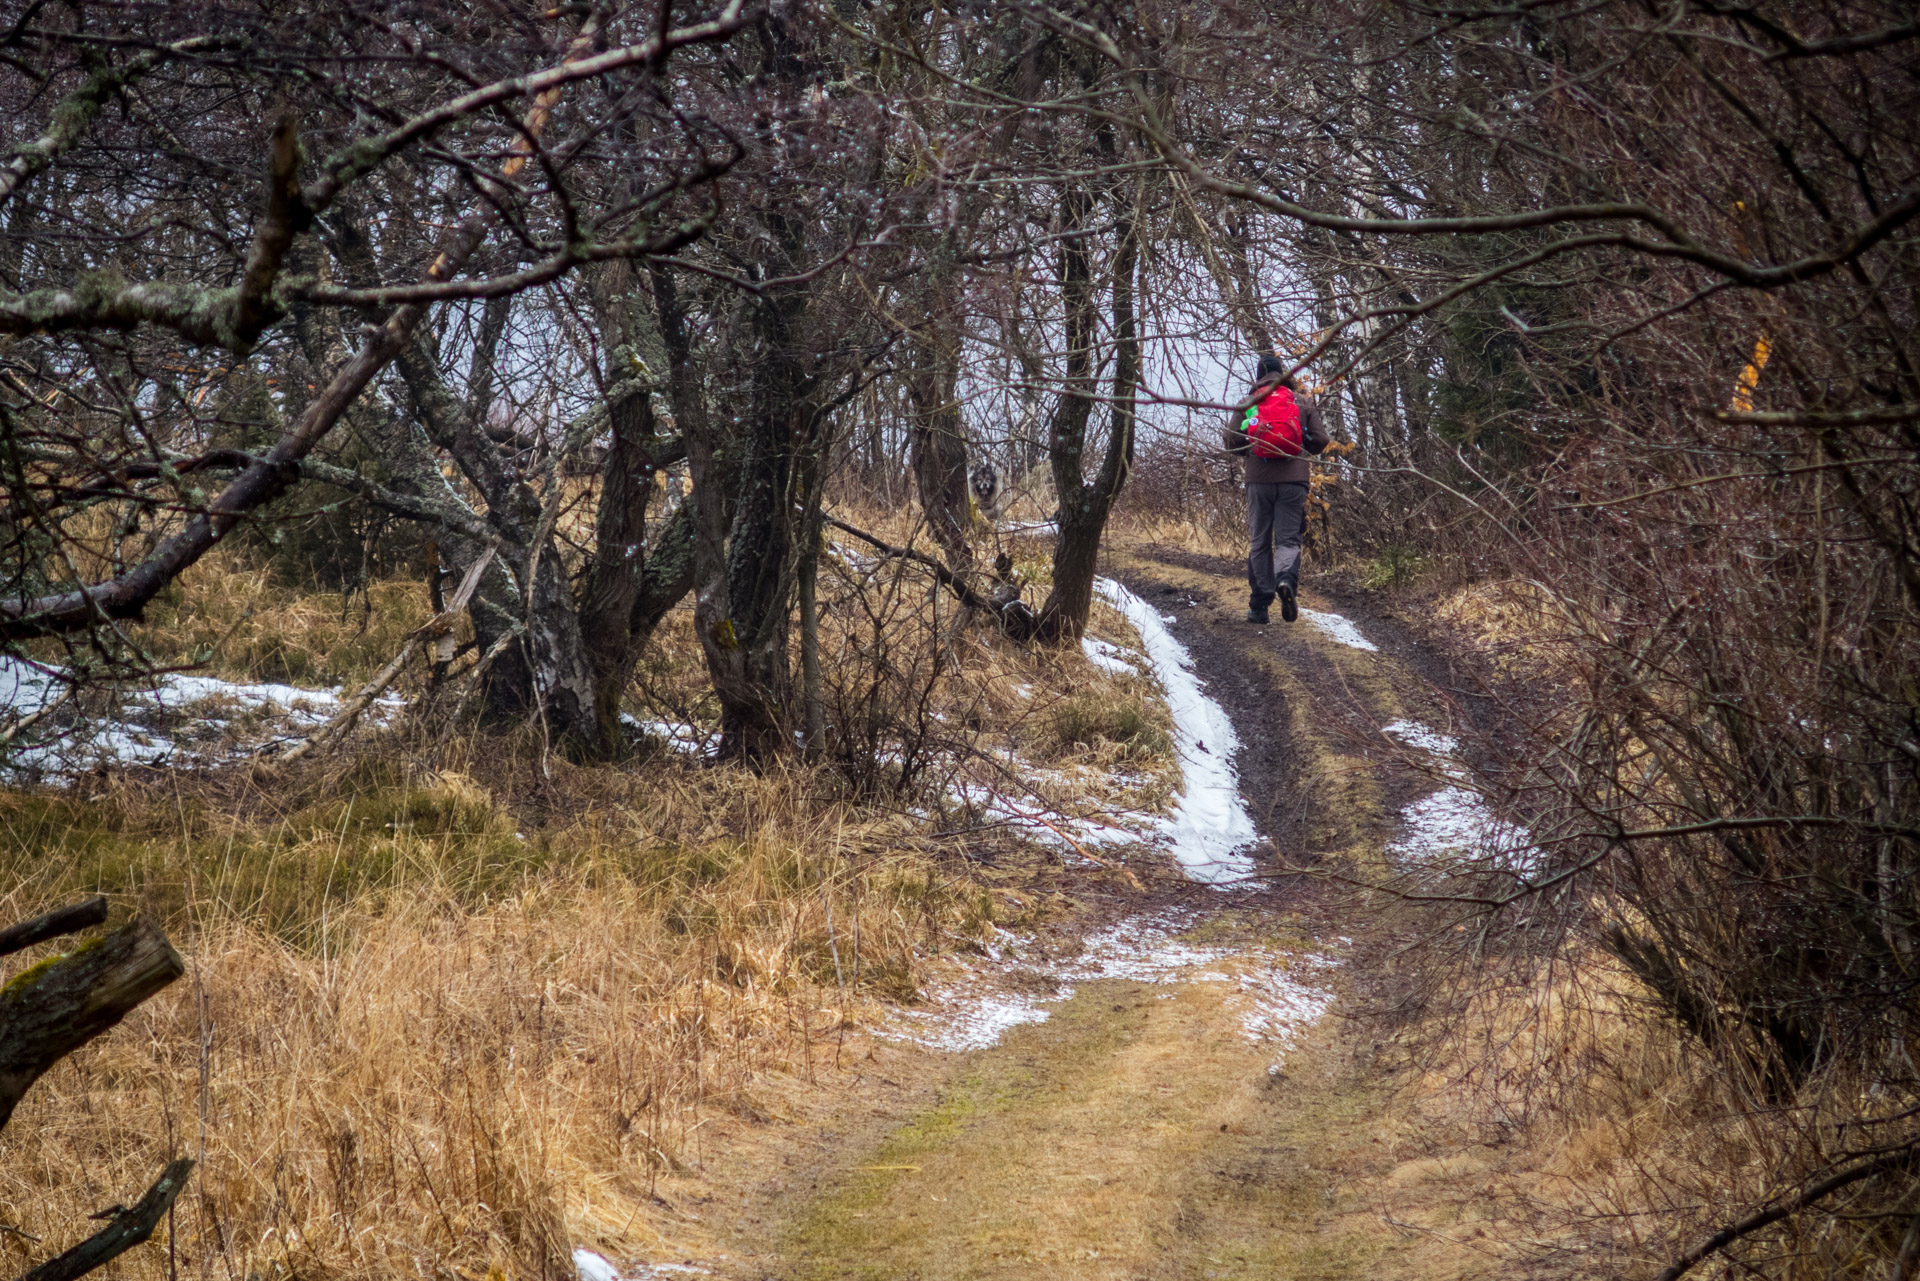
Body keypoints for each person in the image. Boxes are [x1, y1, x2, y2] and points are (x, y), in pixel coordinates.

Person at [1222, 353, 1330, 624]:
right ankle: (1286, 581)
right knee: (1288, 540)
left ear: (1259, 376)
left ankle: (1259, 606)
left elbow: (1231, 439)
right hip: (1294, 480)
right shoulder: (1301, 401)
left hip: (1259, 479)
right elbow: (1321, 439)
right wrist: (1303, 447)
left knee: (1260, 542)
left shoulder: (1249, 402)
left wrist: (1250, 451)